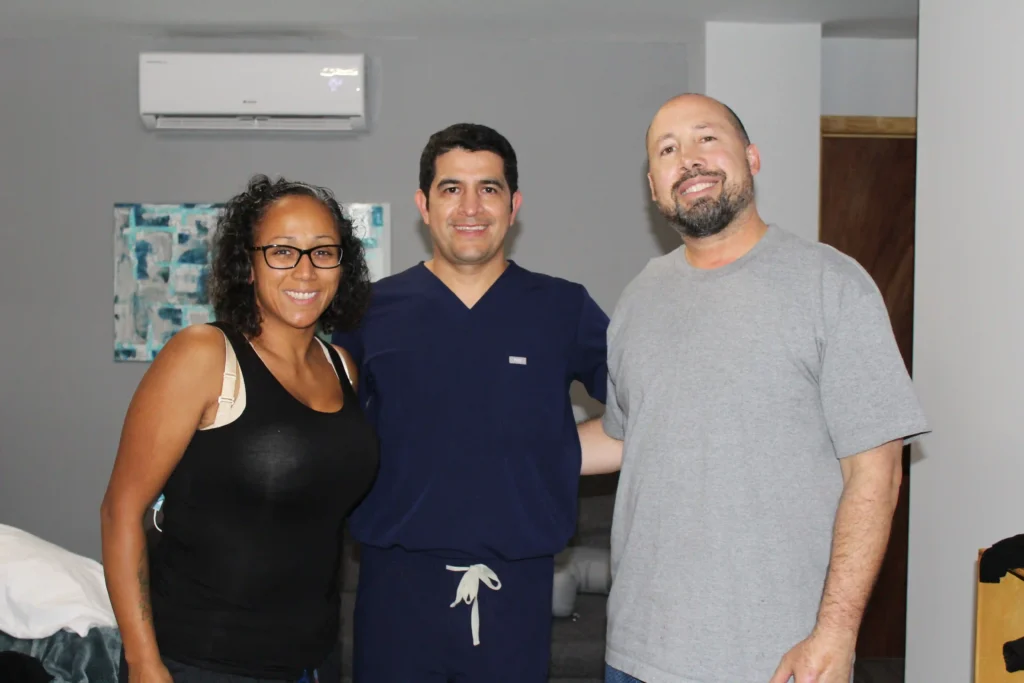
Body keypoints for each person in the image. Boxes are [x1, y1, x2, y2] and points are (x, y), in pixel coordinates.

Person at [594, 94, 931, 683]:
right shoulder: (638, 298)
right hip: (635, 655)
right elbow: (627, 438)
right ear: (654, 186)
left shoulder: (832, 285)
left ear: (751, 157)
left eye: (707, 139)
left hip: (776, 661)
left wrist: (836, 632)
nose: (689, 160)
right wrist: (498, 444)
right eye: (668, 150)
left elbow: (877, 474)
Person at [332, 122, 615, 682]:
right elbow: (326, 433)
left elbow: (652, 409)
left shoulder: (562, 307)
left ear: (514, 205)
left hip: (516, 587)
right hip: (396, 586)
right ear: (423, 203)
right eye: (450, 187)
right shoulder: (369, 311)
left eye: (488, 188)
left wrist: (555, 455)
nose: (470, 206)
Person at [100, 175, 380, 683]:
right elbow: (121, 509)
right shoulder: (203, 355)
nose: (305, 270)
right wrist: (143, 662)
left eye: (323, 252)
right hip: (201, 661)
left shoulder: (341, 366)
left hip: (314, 660)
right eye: (281, 251)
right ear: (248, 265)